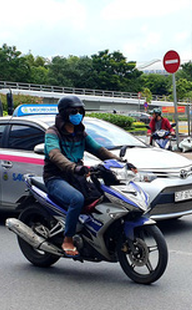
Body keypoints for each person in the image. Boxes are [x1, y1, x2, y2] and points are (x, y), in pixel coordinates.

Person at [43, 95, 136, 257]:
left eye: (80, 111)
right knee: (76, 199)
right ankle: (68, 239)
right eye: (74, 111)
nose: (78, 114)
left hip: (76, 176)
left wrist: (121, 162)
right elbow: (54, 154)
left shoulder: (81, 132)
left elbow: (99, 150)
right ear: (64, 113)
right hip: (56, 177)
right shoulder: (53, 133)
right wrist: (73, 167)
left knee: (103, 195)